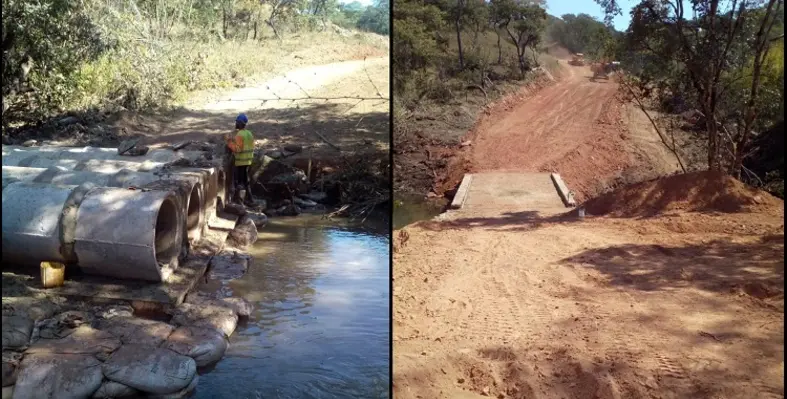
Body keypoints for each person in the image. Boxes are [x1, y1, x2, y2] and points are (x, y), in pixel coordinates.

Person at [225, 113, 255, 205]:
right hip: (248, 161)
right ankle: (250, 199)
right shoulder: (249, 133)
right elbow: (248, 146)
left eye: (237, 122)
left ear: (240, 123)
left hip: (240, 162)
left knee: (239, 182)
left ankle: (239, 202)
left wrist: (229, 142)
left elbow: (237, 149)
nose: (236, 124)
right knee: (246, 181)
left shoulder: (240, 134)